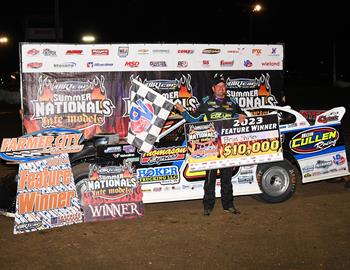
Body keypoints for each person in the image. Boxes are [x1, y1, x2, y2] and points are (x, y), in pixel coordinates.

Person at [175, 73, 246, 216]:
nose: (221, 89)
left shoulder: (232, 102)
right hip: (210, 147)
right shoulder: (206, 102)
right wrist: (183, 111)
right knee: (210, 179)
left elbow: (240, 115)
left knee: (227, 178)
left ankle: (229, 205)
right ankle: (208, 207)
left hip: (227, 146)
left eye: (223, 86)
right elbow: (194, 119)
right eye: (218, 86)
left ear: (225, 88)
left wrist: (241, 115)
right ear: (213, 88)